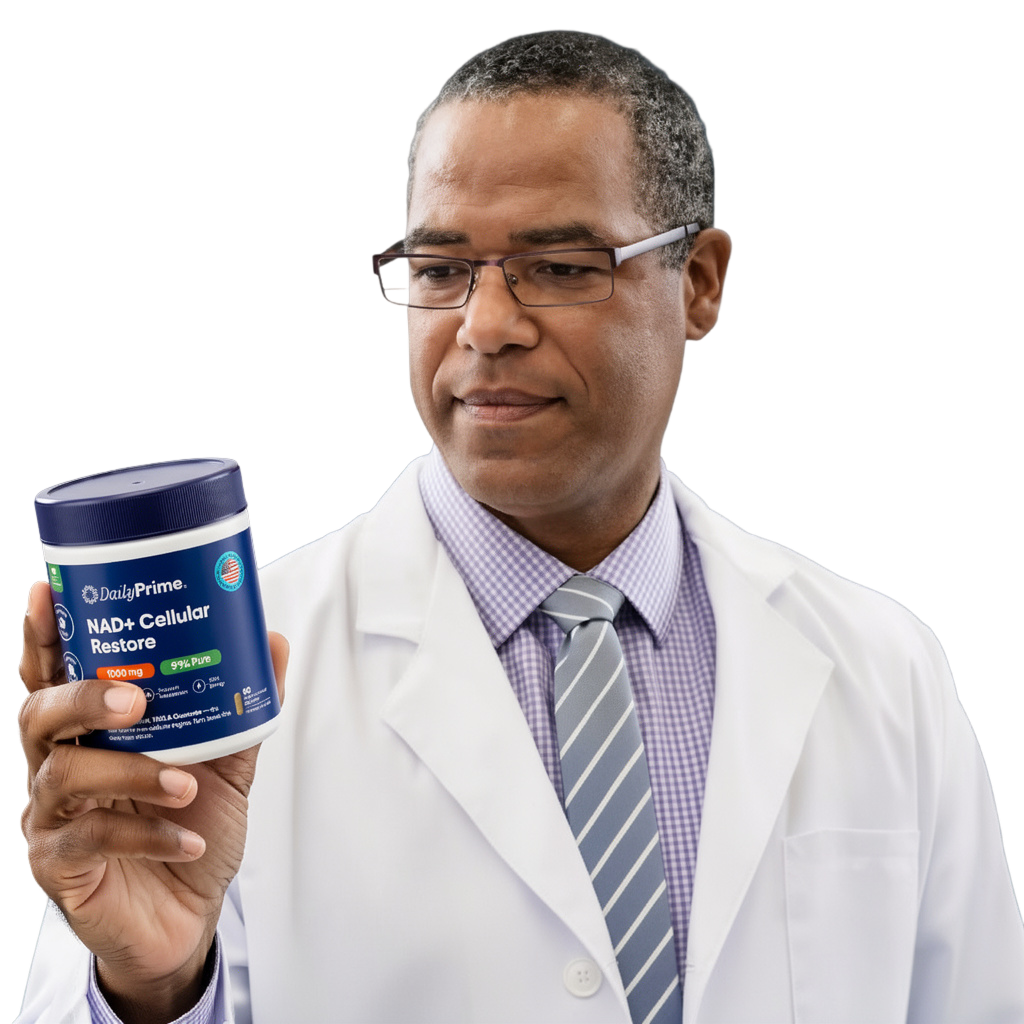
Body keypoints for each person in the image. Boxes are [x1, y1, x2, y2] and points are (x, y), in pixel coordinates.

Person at [17, 28, 1022, 1024]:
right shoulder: (222, 677)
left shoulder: (884, 665)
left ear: (700, 282)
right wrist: (150, 990)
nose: (485, 325)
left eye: (561, 265)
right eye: (439, 269)